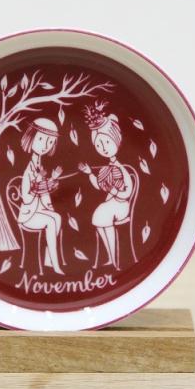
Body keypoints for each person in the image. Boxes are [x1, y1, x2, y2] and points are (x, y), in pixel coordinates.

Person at [79, 101, 133, 269]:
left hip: (121, 206)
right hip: (112, 205)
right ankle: (110, 256)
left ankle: (114, 258)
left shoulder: (120, 168)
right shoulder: (108, 167)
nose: (103, 148)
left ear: (116, 139)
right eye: (98, 145)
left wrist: (115, 191)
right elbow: (99, 186)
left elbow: (128, 191)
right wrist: (89, 173)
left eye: (107, 142)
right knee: (99, 219)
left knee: (101, 216)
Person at [18, 118, 64, 275]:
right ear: (30, 137)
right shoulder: (28, 169)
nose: (45, 145)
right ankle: (55, 265)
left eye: (50, 142)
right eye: (41, 139)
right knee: (51, 221)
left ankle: (48, 260)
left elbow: (43, 190)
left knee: (57, 217)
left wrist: (53, 178)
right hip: (28, 215)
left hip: (38, 211)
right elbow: (26, 198)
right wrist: (37, 183)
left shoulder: (39, 165)